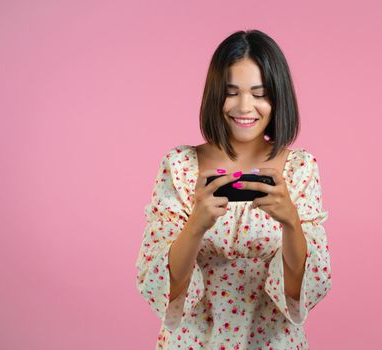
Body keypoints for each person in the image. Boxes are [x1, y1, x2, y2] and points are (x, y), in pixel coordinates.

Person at [135, 29, 332, 349]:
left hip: (272, 342)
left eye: (259, 93)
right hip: (192, 342)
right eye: (231, 92)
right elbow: (161, 287)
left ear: (277, 97)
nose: (244, 106)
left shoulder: (299, 169)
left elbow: (302, 293)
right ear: (215, 95)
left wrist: (291, 222)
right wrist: (196, 224)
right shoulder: (180, 166)